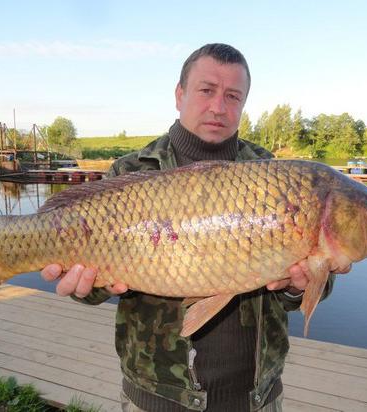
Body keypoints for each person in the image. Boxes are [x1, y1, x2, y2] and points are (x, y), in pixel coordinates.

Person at [41, 43, 336, 411]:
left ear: (243, 104)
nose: (218, 106)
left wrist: (297, 287)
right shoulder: (133, 172)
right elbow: (95, 286)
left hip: (255, 398)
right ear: (180, 94)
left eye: (233, 96)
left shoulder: (274, 176)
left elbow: (311, 284)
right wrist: (83, 287)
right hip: (156, 397)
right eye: (206, 90)